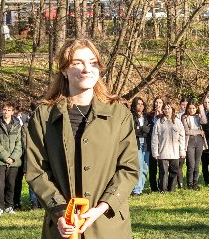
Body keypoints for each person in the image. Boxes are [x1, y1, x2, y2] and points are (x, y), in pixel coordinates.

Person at [25, 38, 139, 239]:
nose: (87, 69)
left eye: (93, 63)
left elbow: (128, 169)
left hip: (108, 226)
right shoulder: (44, 116)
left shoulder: (119, 115)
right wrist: (61, 212)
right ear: (64, 70)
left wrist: (101, 208)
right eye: (77, 63)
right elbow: (37, 171)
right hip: (61, 228)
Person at [0, 100, 23, 215]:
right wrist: (5, 157)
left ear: (12, 111)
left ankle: (10, 205)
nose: (6, 112)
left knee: (11, 184)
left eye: (9, 110)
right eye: (4, 110)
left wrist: (13, 158)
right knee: (0, 185)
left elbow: (19, 144)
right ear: (1, 111)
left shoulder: (17, 126)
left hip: (14, 162)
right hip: (0, 161)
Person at [150, 103, 185, 192]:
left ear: (172, 110)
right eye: (165, 109)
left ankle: (171, 189)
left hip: (175, 152)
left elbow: (182, 137)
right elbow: (155, 138)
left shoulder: (177, 122)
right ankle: (163, 190)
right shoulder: (159, 122)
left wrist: (182, 150)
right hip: (163, 151)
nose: (167, 110)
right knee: (163, 172)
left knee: (174, 171)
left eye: (169, 108)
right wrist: (155, 152)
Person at [182, 101, 208, 190]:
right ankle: (189, 183)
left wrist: (202, 110)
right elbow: (186, 131)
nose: (192, 110)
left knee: (197, 164)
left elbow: (204, 122)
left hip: (199, 140)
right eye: (190, 108)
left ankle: (195, 183)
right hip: (190, 140)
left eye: (193, 108)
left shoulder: (199, 116)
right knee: (191, 163)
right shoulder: (185, 117)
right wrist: (199, 131)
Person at [130, 97, 151, 196]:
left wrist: (141, 129)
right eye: (138, 104)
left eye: (142, 104)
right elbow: (135, 131)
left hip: (146, 144)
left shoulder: (147, 117)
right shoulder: (131, 117)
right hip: (137, 144)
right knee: (138, 166)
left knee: (144, 167)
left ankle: (141, 188)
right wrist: (142, 129)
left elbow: (148, 130)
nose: (140, 106)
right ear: (134, 106)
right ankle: (136, 190)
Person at [148, 97, 165, 193]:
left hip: (162, 144)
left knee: (162, 166)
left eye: (160, 102)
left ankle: (162, 185)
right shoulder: (150, 115)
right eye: (156, 102)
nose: (158, 104)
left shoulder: (164, 115)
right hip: (151, 143)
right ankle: (153, 187)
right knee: (152, 167)